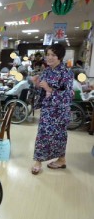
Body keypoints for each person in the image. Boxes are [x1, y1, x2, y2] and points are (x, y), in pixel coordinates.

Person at [31, 43, 73, 175]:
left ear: (59, 57)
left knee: (60, 136)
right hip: (48, 110)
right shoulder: (47, 71)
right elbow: (42, 91)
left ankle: (61, 159)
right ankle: (38, 161)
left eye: (53, 55)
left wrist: (50, 89)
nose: (49, 57)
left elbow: (68, 95)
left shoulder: (66, 72)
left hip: (60, 111)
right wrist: (37, 85)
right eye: (48, 54)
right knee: (43, 135)